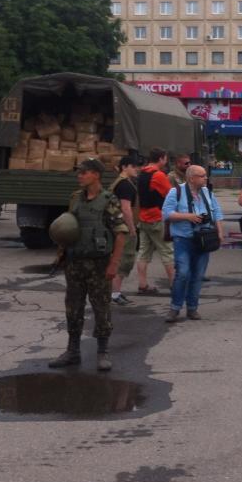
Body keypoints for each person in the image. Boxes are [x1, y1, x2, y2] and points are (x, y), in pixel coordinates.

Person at [48, 157, 128, 371]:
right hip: (75, 263)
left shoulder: (109, 200)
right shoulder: (75, 198)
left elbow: (121, 233)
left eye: (84, 172)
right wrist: (61, 254)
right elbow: (68, 226)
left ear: (96, 175)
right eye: (79, 172)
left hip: (99, 264)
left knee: (101, 308)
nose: (79, 176)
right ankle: (72, 351)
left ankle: (102, 352)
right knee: (73, 308)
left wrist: (114, 264)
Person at [162, 165, 224, 322]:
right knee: (182, 273)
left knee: (197, 275)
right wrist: (187, 216)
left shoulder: (207, 192)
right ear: (191, 178)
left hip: (203, 239)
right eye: (202, 176)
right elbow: (166, 213)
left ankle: (192, 308)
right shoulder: (176, 192)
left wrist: (220, 232)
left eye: (205, 175)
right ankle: (175, 308)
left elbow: (217, 212)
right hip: (183, 239)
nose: (205, 178)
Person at [136, 147, 175, 293]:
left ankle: (142, 284)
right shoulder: (158, 175)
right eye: (165, 158)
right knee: (167, 251)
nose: (166, 162)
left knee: (143, 253)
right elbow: (170, 194)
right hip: (157, 218)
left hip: (143, 218)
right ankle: (174, 284)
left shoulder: (142, 173)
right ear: (160, 159)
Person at [109, 156, 140, 306]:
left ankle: (115, 292)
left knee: (119, 259)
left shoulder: (121, 183)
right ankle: (115, 294)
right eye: (133, 166)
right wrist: (132, 228)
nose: (136, 169)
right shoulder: (125, 185)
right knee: (123, 260)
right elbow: (126, 209)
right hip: (123, 227)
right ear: (124, 167)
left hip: (117, 226)